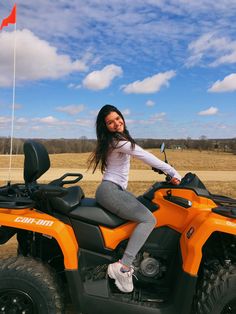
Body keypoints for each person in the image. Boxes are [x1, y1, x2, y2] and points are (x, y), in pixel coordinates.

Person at [88, 104, 181, 293]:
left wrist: (159, 169)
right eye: (110, 122)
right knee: (149, 219)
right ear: (105, 127)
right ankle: (123, 267)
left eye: (117, 118)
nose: (116, 123)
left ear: (122, 117)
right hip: (110, 190)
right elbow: (144, 155)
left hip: (113, 190)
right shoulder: (118, 142)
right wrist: (172, 172)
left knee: (144, 206)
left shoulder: (117, 141)